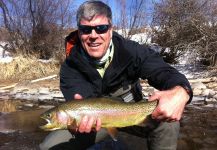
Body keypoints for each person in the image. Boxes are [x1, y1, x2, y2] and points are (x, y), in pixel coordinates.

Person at [39, 0, 193, 150]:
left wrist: (181, 90)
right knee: (49, 147)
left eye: (101, 28)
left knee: (168, 122)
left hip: (134, 113)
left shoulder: (131, 51)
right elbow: (77, 100)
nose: (93, 35)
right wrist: (75, 125)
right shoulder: (70, 66)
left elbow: (162, 70)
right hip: (95, 123)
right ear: (79, 32)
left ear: (110, 29)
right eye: (86, 29)